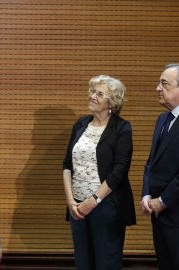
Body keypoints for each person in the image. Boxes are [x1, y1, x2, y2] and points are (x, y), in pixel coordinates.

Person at [62, 75, 136, 270]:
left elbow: (118, 171)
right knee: (83, 263)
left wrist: (93, 201)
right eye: (92, 91)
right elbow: (67, 165)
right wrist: (71, 201)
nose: (92, 96)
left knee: (106, 263)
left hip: (107, 207)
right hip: (77, 207)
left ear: (112, 102)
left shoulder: (122, 128)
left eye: (99, 93)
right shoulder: (80, 124)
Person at [140, 63, 179, 270]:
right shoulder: (162, 119)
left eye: (164, 83)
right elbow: (151, 163)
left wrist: (163, 201)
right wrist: (146, 195)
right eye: (158, 83)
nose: (157, 88)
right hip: (160, 217)